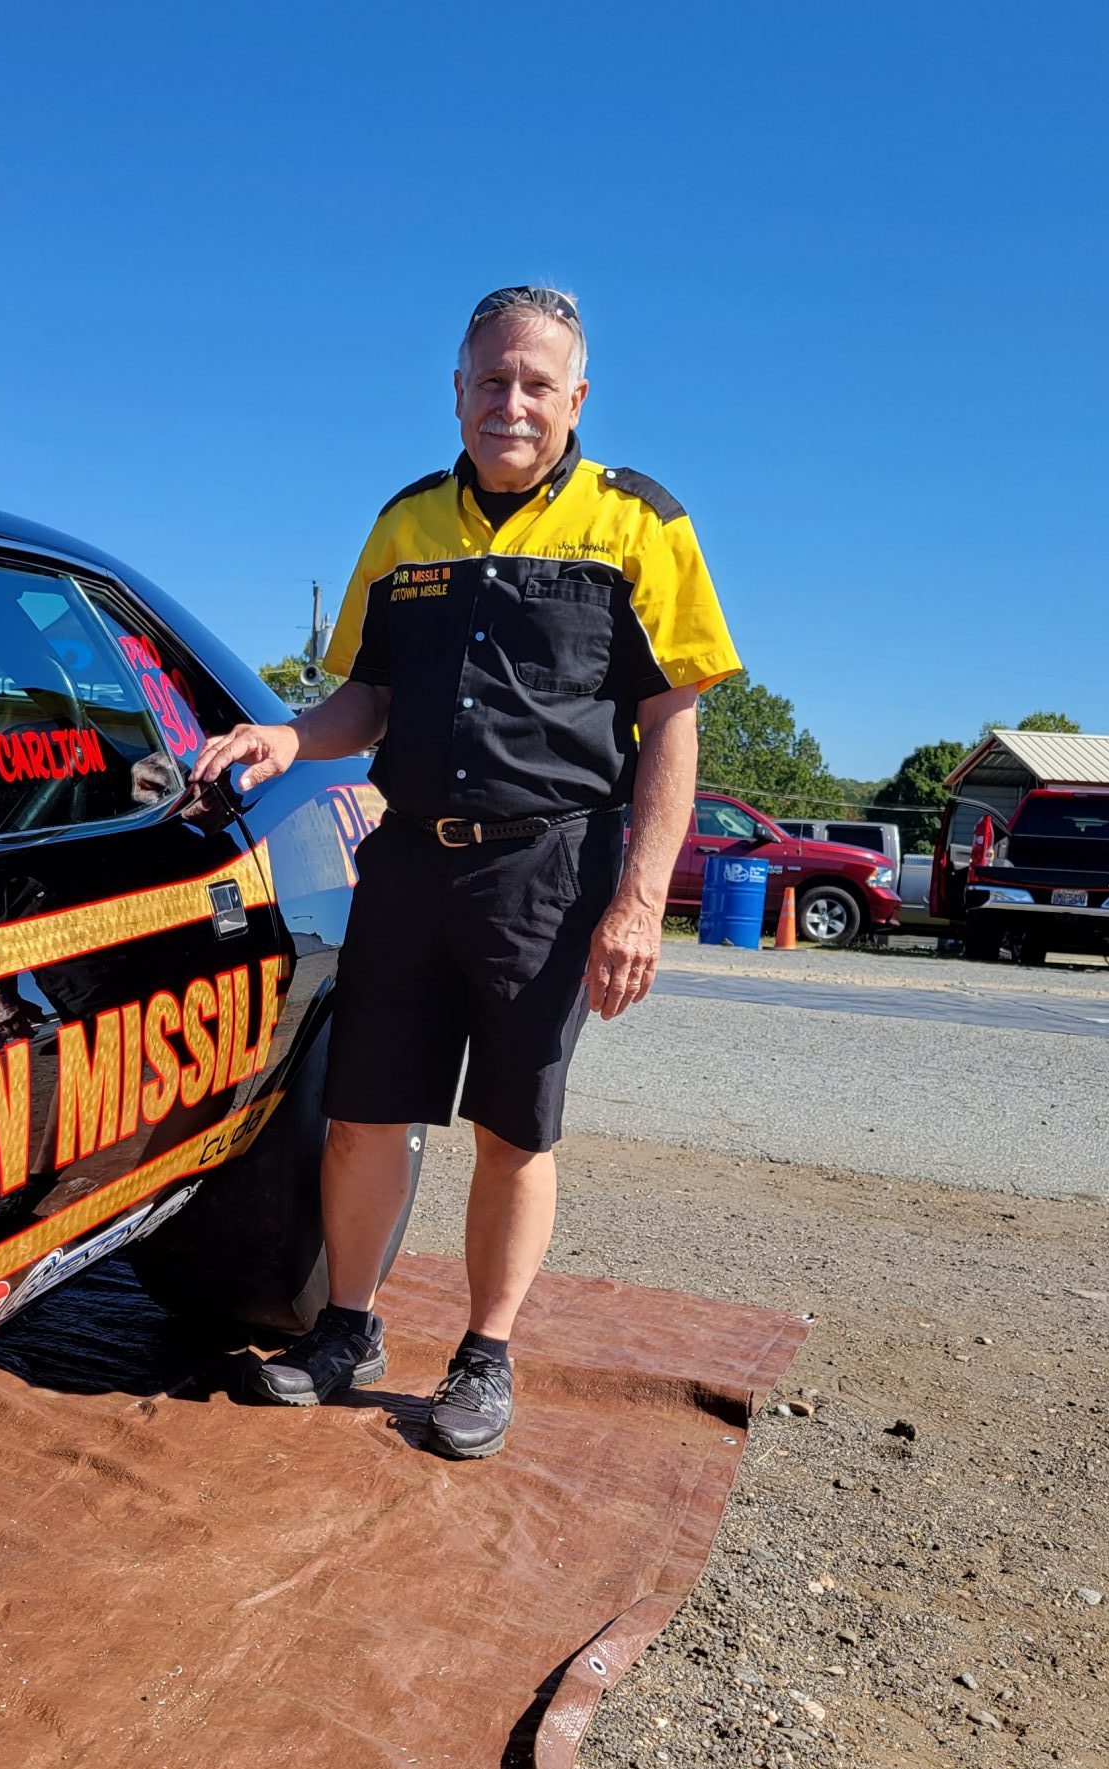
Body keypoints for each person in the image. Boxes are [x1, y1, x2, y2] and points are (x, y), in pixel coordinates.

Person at [190, 285, 741, 1458]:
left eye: (535, 383)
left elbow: (672, 723)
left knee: (510, 1132)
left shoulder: (639, 521)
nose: (510, 402)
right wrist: (292, 735)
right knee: (359, 1117)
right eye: (489, 379)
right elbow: (364, 697)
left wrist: (638, 901)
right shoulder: (403, 525)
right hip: (405, 862)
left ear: (575, 397)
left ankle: (484, 1352)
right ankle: (346, 1326)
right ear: (454, 390)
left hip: (548, 877)